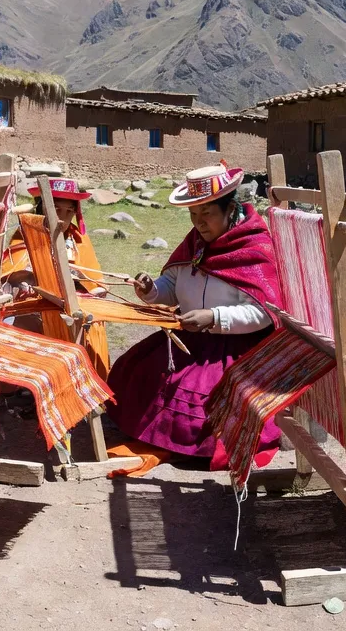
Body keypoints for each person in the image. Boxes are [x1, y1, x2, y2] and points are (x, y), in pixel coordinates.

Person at [106, 164, 283, 460]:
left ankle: (189, 447)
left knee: (200, 396)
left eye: (207, 214)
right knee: (138, 371)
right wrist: (151, 289)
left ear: (230, 209)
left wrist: (213, 317)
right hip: (190, 338)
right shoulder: (196, 242)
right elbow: (173, 284)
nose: (199, 223)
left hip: (235, 347)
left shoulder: (256, 248)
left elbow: (263, 312)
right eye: (193, 215)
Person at [0, 177, 111, 378]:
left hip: (72, 302)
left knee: (91, 320)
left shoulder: (78, 238)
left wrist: (93, 291)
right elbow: (13, 275)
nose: (63, 216)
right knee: (34, 320)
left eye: (69, 211)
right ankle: (27, 382)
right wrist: (29, 281)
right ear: (43, 208)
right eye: (57, 209)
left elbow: (95, 281)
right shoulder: (26, 233)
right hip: (37, 301)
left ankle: (84, 380)